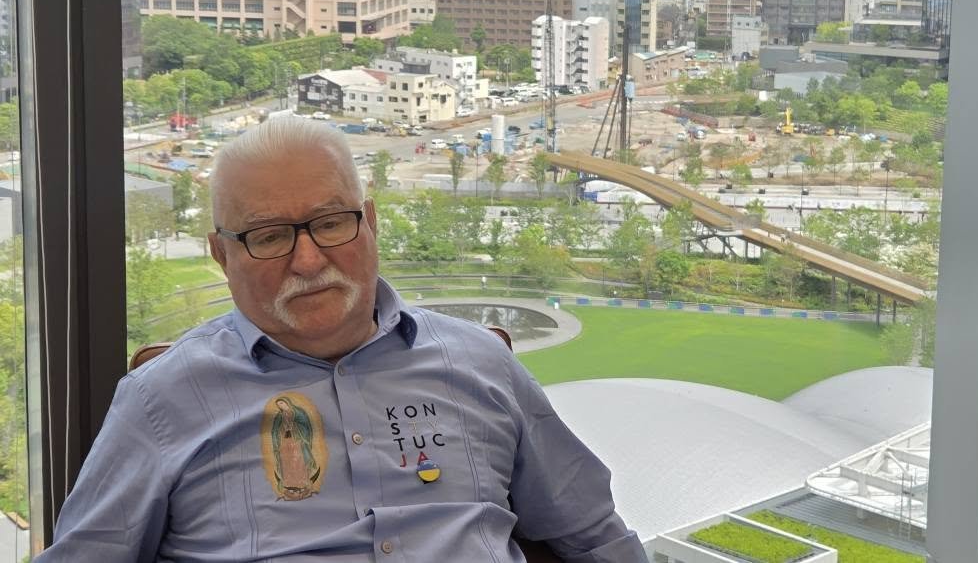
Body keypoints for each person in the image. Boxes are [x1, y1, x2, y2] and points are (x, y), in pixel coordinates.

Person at [40, 118, 645, 562]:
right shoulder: (160, 401)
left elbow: (593, 534)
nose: (308, 260)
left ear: (370, 224)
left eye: (331, 223)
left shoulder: (481, 364)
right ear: (222, 255)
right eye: (269, 235)